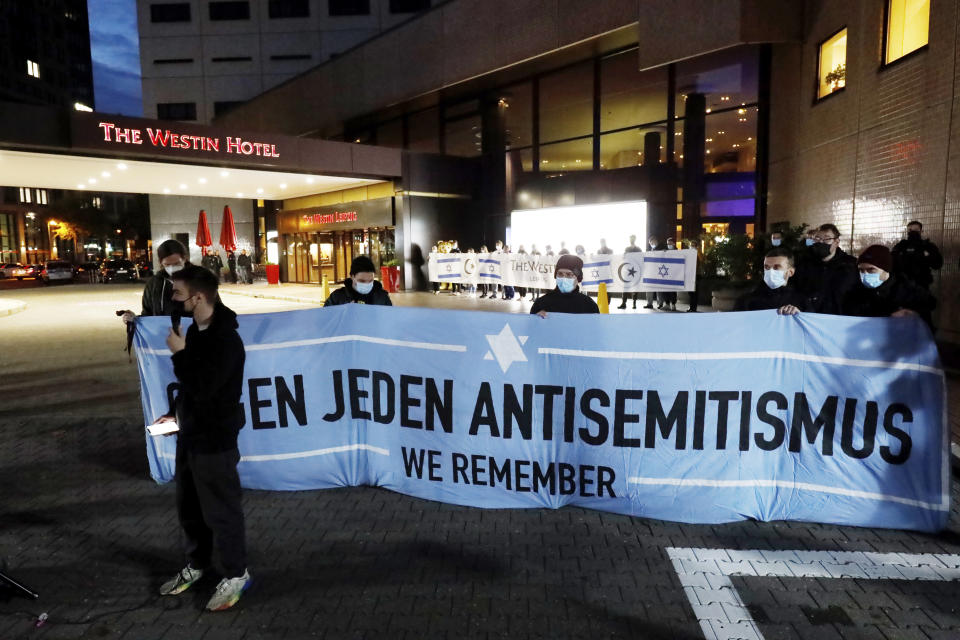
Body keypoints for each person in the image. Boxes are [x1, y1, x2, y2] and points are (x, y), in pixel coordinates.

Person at [154, 265, 250, 612]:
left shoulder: (226, 339)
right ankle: (197, 565)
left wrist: (179, 354)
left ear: (198, 297)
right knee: (190, 507)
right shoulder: (195, 330)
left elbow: (205, 386)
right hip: (190, 435)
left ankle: (236, 574)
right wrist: (175, 415)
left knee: (221, 511)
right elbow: (190, 389)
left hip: (216, 439)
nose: (174, 300)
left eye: (178, 294)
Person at [842, 245, 936, 328]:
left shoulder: (906, 289)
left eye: (871, 270)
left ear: (886, 269)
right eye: (861, 270)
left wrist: (912, 313)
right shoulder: (855, 292)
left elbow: (928, 305)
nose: (865, 274)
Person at [791, 223, 858, 314]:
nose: (821, 242)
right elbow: (795, 290)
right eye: (817, 238)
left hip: (840, 318)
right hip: (809, 317)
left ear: (836, 242)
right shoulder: (803, 264)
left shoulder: (850, 265)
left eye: (827, 239)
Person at [121, 238, 189, 324]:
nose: (172, 268)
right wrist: (134, 319)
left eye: (177, 264)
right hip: (162, 335)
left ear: (184, 259)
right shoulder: (153, 284)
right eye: (167, 264)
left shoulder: (198, 280)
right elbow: (147, 315)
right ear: (161, 262)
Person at [735, 248, 807, 314]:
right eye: (767, 267)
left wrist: (800, 315)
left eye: (776, 267)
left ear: (791, 272)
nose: (770, 271)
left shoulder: (802, 302)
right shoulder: (746, 301)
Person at [530, 255, 600, 316]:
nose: (564, 278)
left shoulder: (589, 305)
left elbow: (595, 328)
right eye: (560, 274)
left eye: (569, 274)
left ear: (578, 278)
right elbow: (531, 327)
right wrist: (536, 319)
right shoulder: (541, 303)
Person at [892, 220, 943, 290]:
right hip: (902, 287)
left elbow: (938, 264)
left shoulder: (928, 246)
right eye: (910, 230)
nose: (912, 232)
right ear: (907, 231)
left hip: (921, 286)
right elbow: (890, 262)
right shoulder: (901, 246)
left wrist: (927, 256)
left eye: (916, 229)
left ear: (921, 231)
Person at [324, 255, 392, 306]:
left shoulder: (382, 297)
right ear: (352, 276)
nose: (367, 284)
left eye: (370, 281)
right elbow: (325, 318)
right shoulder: (337, 297)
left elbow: (390, 319)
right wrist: (343, 312)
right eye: (362, 281)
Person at [617, 235, 642, 310]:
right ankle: (623, 303)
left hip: (635, 270)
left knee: (635, 287)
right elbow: (624, 258)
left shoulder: (638, 249)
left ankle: (634, 303)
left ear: (635, 239)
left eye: (633, 238)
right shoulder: (627, 249)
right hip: (627, 270)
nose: (632, 239)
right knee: (625, 287)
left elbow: (641, 258)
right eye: (630, 238)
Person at [643, 235, 664, 309]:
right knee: (649, 288)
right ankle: (649, 303)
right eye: (650, 243)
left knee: (659, 289)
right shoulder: (650, 251)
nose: (652, 243)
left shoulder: (662, 249)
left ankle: (660, 303)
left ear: (656, 241)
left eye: (653, 242)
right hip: (650, 272)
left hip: (658, 272)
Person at [660, 237, 678, 310]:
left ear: (674, 243)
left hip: (674, 273)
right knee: (665, 289)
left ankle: (673, 304)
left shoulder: (678, 251)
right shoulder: (665, 251)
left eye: (670, 243)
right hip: (665, 273)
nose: (669, 245)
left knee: (673, 290)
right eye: (667, 244)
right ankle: (667, 304)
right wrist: (663, 253)